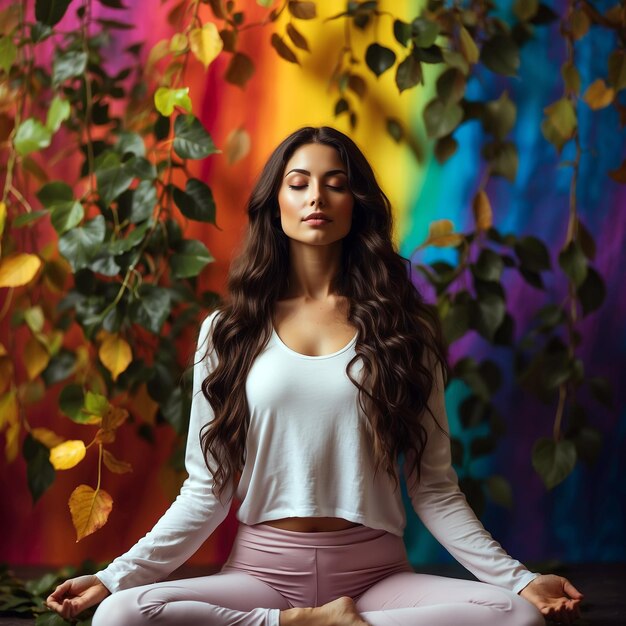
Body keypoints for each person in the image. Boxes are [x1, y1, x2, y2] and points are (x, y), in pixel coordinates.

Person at [46, 126, 583, 625]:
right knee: (118, 615)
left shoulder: (403, 331)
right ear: (275, 202)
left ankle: (336, 624)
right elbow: (208, 489)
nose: (316, 198)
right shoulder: (228, 331)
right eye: (298, 183)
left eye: (336, 185)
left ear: (358, 205)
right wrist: (113, 577)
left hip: (377, 576)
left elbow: (435, 489)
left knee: (518, 615)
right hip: (260, 574)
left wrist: (521, 580)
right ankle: (297, 623)